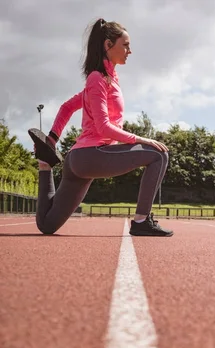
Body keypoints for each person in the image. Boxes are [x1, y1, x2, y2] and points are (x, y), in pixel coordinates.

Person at [29, 18, 173, 237]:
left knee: (47, 226)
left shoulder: (102, 79)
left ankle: (44, 164)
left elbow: (67, 107)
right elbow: (104, 127)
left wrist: (52, 140)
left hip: (79, 160)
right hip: (91, 156)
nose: (129, 51)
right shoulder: (98, 79)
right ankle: (142, 221)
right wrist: (141, 139)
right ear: (108, 45)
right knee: (158, 155)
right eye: (125, 45)